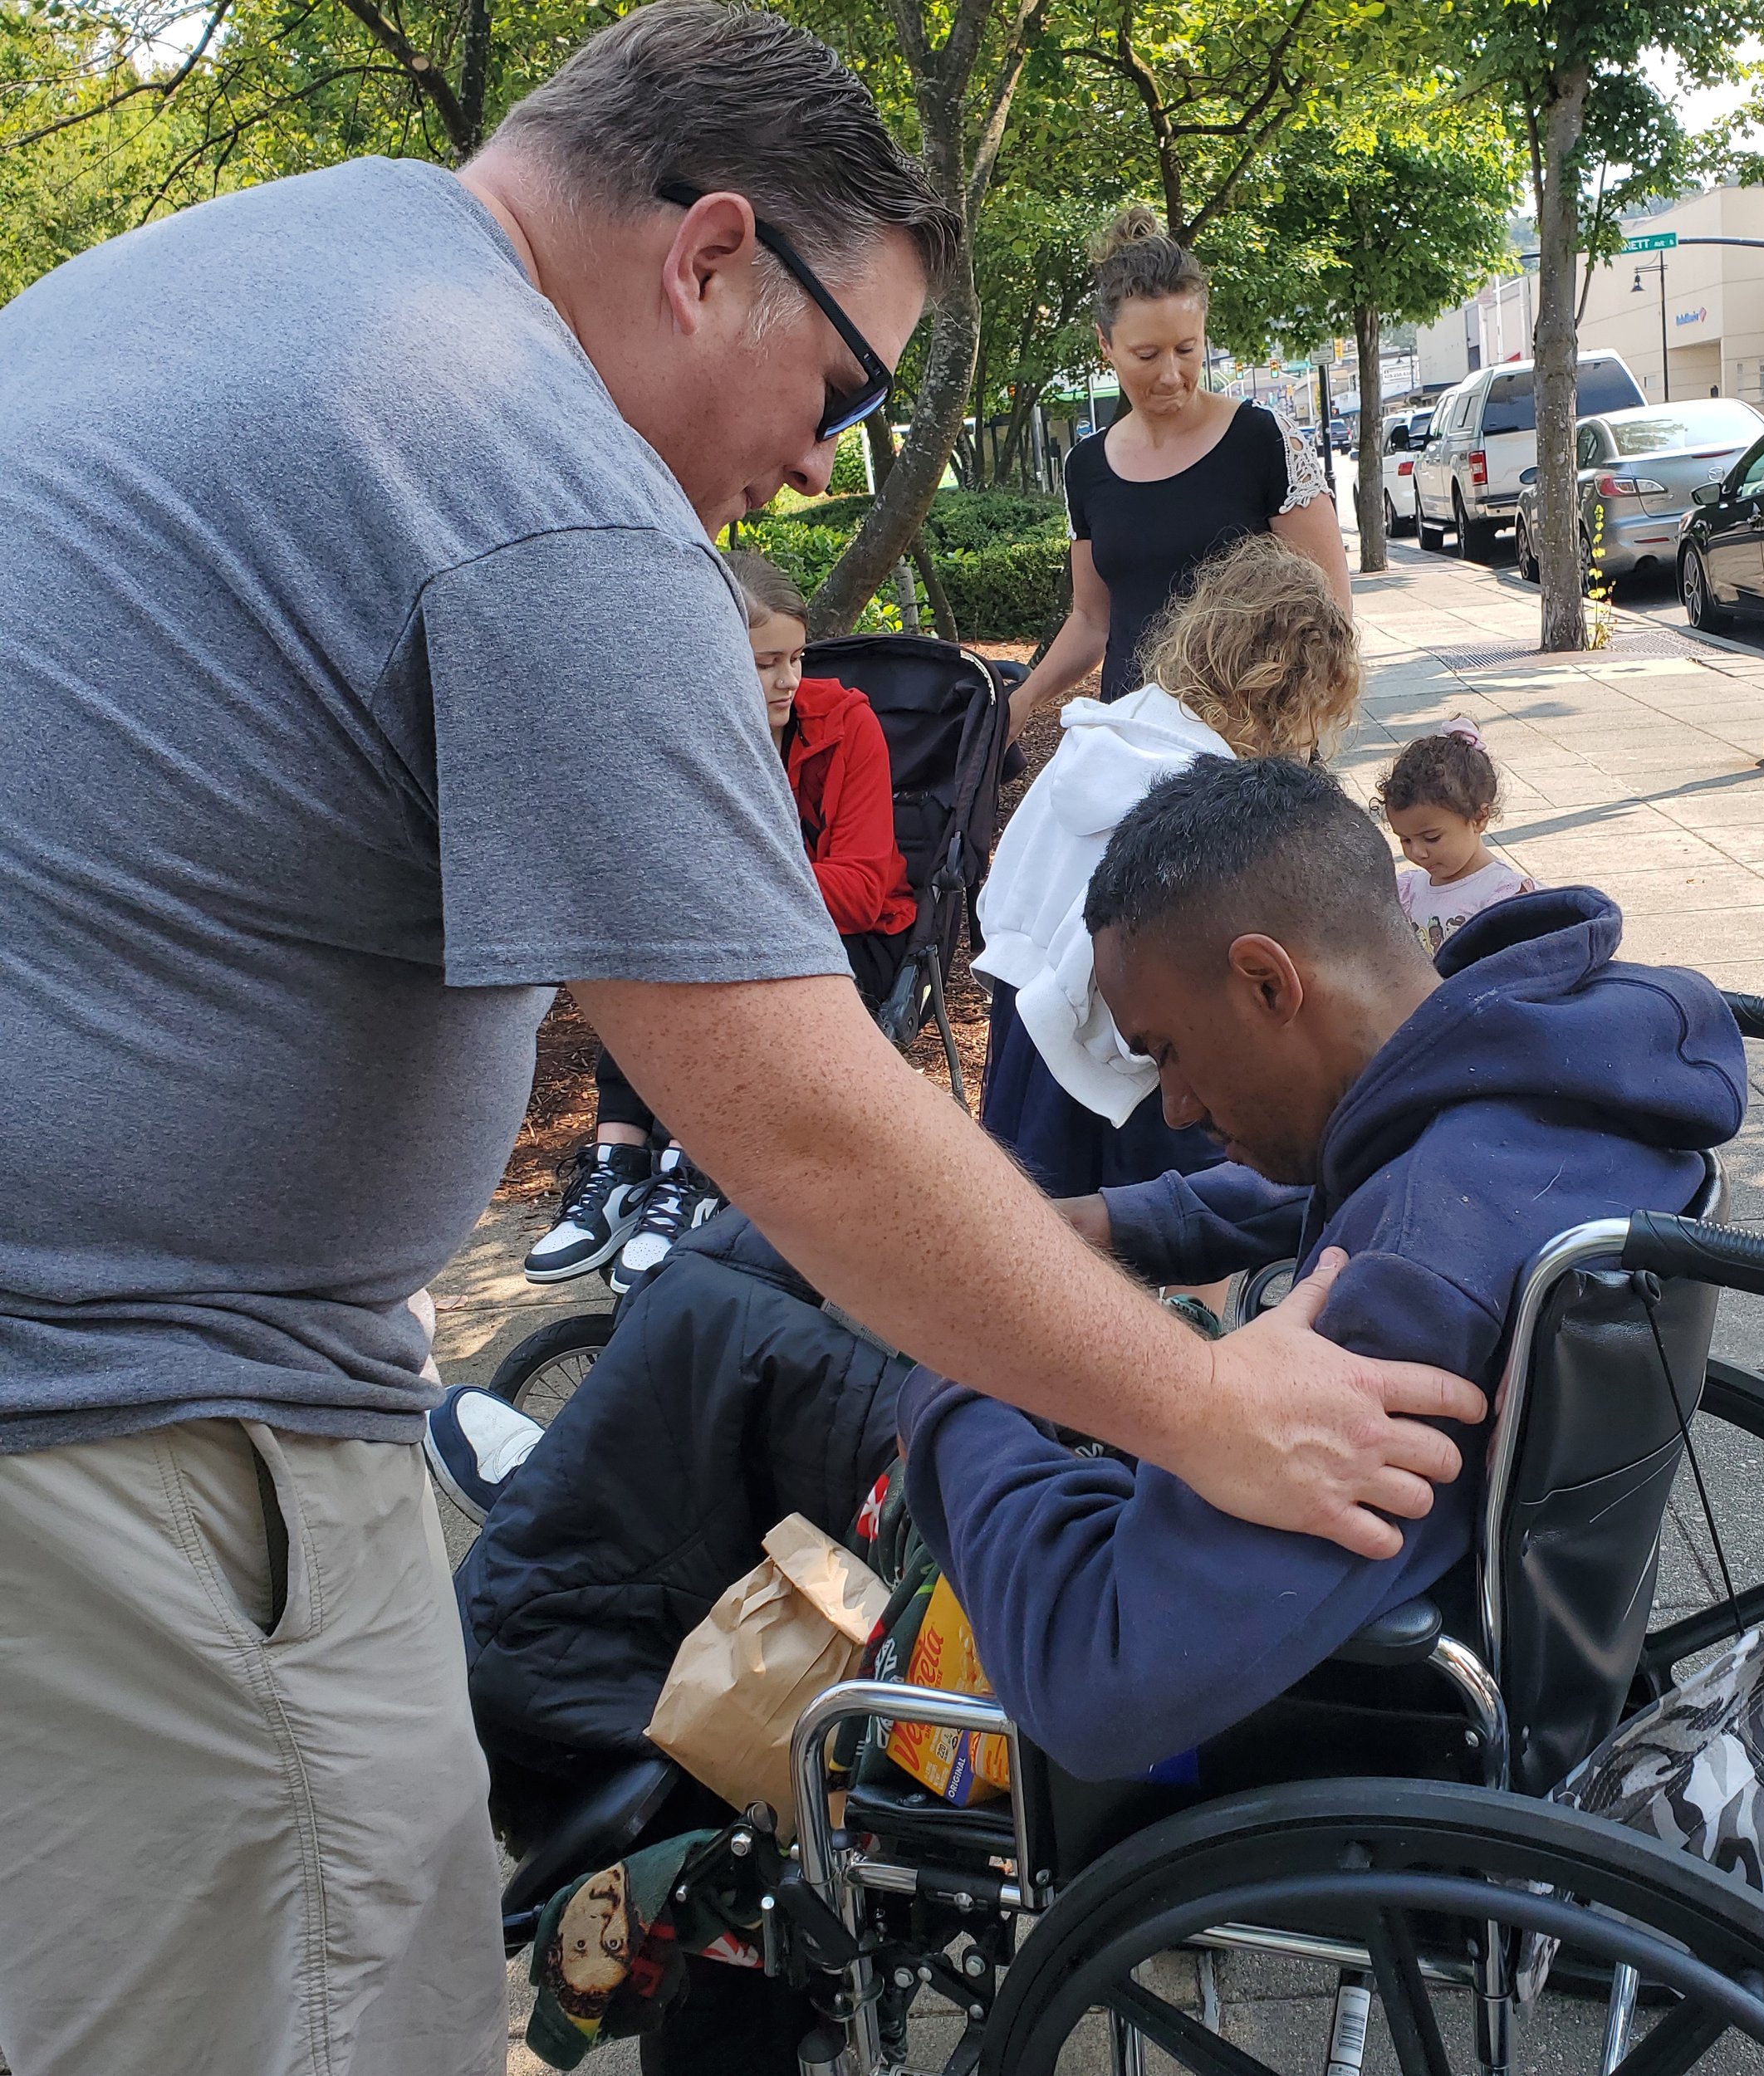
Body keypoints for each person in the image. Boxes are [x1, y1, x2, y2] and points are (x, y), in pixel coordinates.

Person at [0, 7, 1485, 2071]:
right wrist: (1215, 1416)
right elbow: (803, 1120)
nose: (814, 461)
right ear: (708, 254)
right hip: (126, 1416)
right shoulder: (525, 465)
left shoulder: (263, 270)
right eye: (842, 384)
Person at [905, 756, 1746, 1777]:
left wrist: (948, 1364)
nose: (1170, 1107)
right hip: (1509, 1622)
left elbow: (1099, 1676)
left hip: (1340, 1715)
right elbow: (1332, 1185)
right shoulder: (1531, 1079)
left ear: (1269, 980)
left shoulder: (1412, 1283)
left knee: (761, 1343)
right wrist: (1092, 1225)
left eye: (1165, 1049)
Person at [525, 550, 914, 1292]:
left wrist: (718, 900)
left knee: (703, 946)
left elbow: (863, 887)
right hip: (725, 934)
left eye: (796, 657)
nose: (789, 681)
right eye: (767, 663)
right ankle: (620, 1161)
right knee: (649, 947)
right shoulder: (679, 735)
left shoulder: (845, 724)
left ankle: (692, 1165)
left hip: (852, 942)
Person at [975, 534, 1359, 1197]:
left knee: (1043, 1232)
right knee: (1182, 1227)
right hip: (1133, 1065)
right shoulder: (1204, 803)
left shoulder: (1105, 733)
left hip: (1027, 1025)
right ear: (1295, 693)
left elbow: (1007, 888)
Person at [1002, 208, 1354, 732]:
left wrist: (1294, 746)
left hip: (1246, 751)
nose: (1171, 375)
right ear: (1106, 346)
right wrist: (1022, 701)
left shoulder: (1263, 441)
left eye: (1186, 349)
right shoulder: (1087, 467)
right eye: (1146, 355)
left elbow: (1331, 621)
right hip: (1132, 746)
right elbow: (1092, 621)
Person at [1379, 718, 1537, 957]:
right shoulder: (1410, 892)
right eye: (1405, 840)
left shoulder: (1503, 896)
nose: (1417, 853)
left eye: (1431, 838)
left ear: (1479, 818)